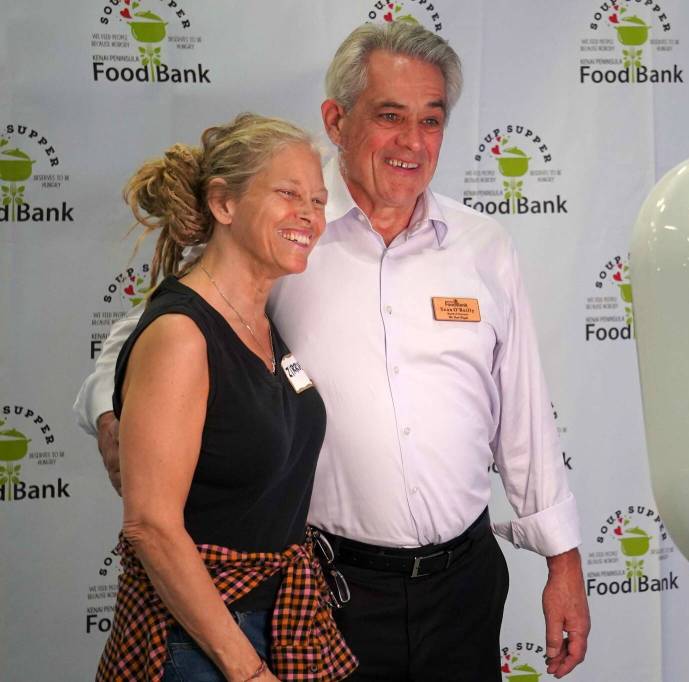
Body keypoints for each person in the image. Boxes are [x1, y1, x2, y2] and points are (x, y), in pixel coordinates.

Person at [77, 23, 590, 681]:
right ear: (337, 120)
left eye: (431, 121)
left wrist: (564, 560)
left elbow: (523, 410)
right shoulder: (289, 224)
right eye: (389, 117)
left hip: (463, 586)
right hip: (327, 591)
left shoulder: (482, 246)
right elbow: (169, 321)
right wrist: (110, 409)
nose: (412, 142)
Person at [94, 113, 356, 681]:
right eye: (288, 194)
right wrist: (247, 669)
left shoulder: (257, 320)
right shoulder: (182, 334)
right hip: (201, 644)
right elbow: (150, 526)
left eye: (316, 200)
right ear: (224, 204)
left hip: (273, 621)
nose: (309, 216)